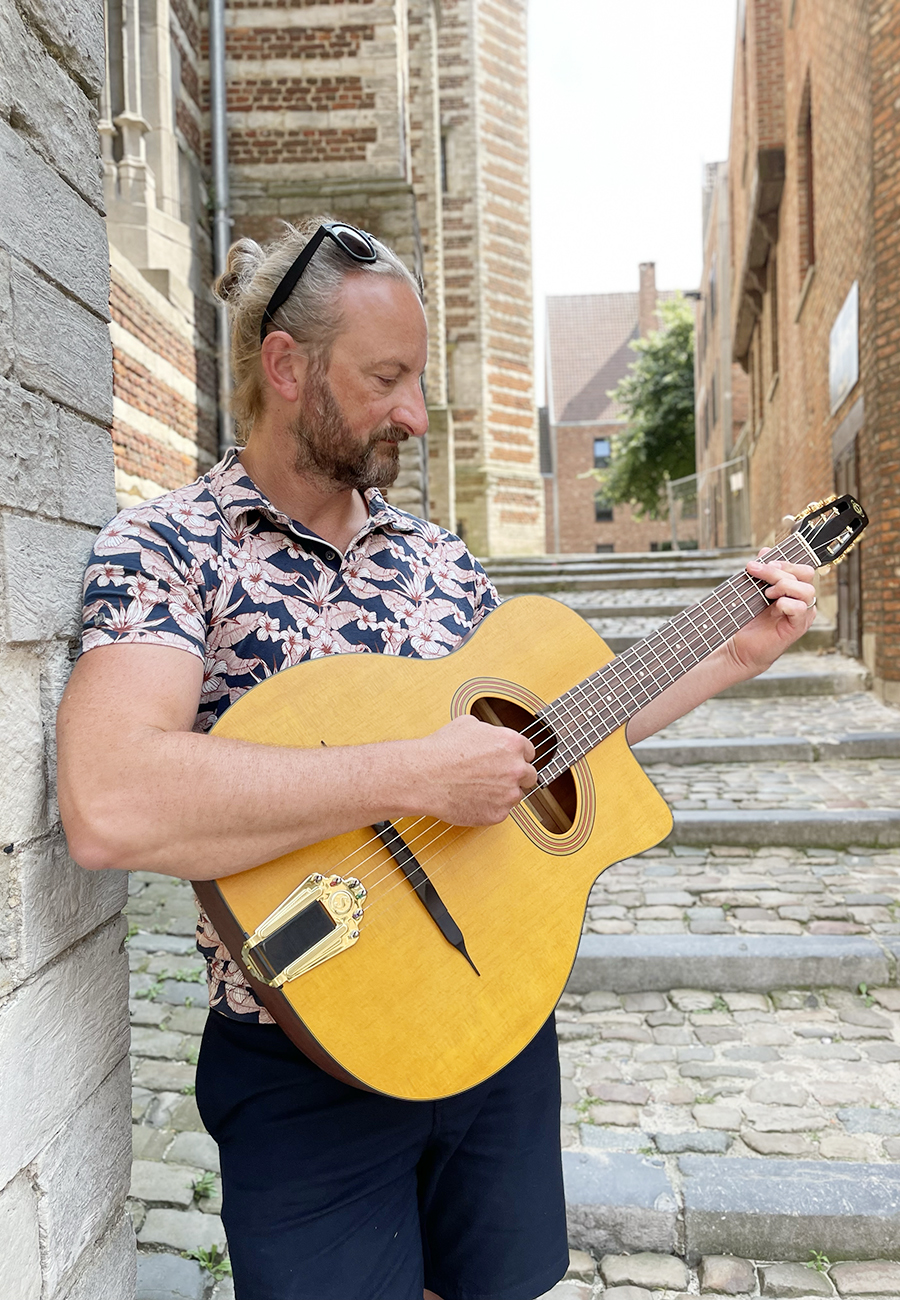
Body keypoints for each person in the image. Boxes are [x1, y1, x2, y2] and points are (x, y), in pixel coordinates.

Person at [57, 219, 817, 1300]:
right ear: (286, 367)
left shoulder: (440, 562)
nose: (414, 412)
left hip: (494, 1021)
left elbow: (543, 738)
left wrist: (735, 650)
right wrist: (415, 773)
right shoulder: (170, 550)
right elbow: (110, 805)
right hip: (302, 1063)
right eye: (387, 379)